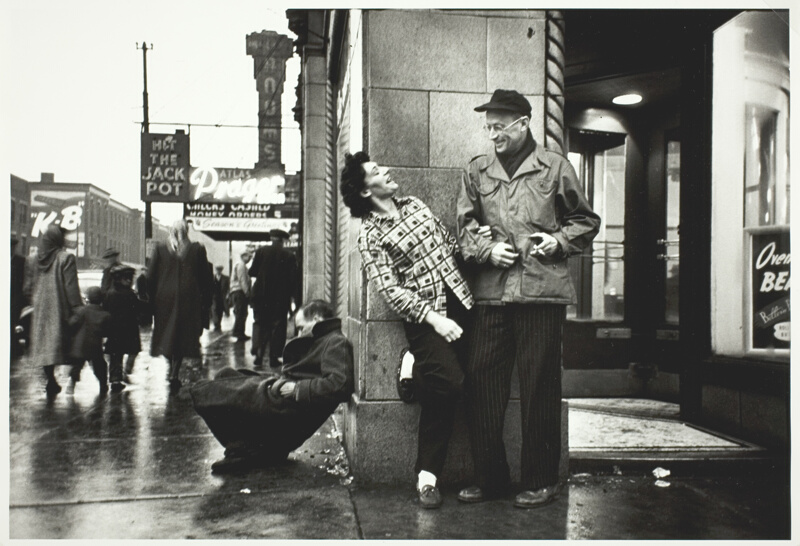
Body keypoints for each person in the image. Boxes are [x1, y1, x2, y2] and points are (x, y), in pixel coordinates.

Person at [456, 89, 601, 508]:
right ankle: (490, 477)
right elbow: (463, 227)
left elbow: (585, 222)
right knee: (482, 382)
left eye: (499, 127)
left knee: (539, 387)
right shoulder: (476, 170)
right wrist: (486, 251)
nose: (492, 135)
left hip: (541, 293)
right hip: (491, 296)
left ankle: (541, 479)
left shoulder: (555, 167)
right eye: (488, 128)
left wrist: (557, 242)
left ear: (523, 124)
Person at [341, 151, 478, 510]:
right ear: (365, 190)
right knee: (449, 382)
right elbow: (390, 290)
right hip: (426, 321)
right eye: (375, 171)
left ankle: (427, 478)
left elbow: (449, 246)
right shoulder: (370, 236)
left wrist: (477, 245)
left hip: (462, 303)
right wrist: (434, 318)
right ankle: (416, 364)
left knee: (444, 390)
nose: (385, 170)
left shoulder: (416, 205)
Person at [190, 300, 354, 474]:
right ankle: (250, 447)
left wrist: (298, 389)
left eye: (301, 327)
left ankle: (247, 450)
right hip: (283, 396)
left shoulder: (335, 342)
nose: (298, 333)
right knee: (224, 375)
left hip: (289, 407)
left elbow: (340, 384)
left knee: (208, 391)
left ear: (316, 318)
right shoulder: (324, 338)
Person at [147, 219, 213, 394]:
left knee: (167, 333)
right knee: (182, 335)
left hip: (164, 299)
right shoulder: (197, 249)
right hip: (189, 298)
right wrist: (206, 300)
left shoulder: (161, 249)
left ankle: (171, 364)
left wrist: (151, 298)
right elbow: (206, 277)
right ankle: (175, 370)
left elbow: (151, 276)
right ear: (187, 231)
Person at [25, 225, 84, 396]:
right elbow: (71, 287)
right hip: (60, 308)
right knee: (75, 343)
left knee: (44, 344)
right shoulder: (66, 258)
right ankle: (72, 379)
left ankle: (51, 380)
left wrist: (35, 302)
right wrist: (77, 308)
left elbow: (27, 288)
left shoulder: (33, 260)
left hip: (41, 311)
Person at [249, 229, 300, 368]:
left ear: (271, 238)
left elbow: (252, 272)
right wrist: (296, 301)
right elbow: (293, 281)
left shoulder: (260, 251)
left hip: (260, 297)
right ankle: (273, 358)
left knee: (261, 325)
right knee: (277, 328)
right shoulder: (289, 255)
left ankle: (258, 356)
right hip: (279, 299)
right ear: (283, 241)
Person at [104, 264, 145, 393]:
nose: (129, 280)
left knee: (116, 355)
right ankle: (127, 369)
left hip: (115, 330)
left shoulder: (110, 294)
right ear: (120, 279)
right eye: (127, 278)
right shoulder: (130, 294)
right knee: (133, 350)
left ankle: (115, 379)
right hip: (130, 329)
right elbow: (139, 308)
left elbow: (105, 309)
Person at [66, 286, 112, 395]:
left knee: (77, 366)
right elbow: (107, 331)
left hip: (80, 346)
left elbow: (72, 324)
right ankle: (103, 384)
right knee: (100, 366)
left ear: (88, 298)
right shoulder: (105, 314)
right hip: (95, 346)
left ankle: (71, 384)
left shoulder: (82, 311)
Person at [229, 251, 252, 341]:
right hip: (239, 291)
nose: (249, 259)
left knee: (241, 313)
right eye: (248, 257)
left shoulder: (240, 265)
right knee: (241, 313)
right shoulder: (241, 266)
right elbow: (243, 280)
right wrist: (247, 292)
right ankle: (238, 332)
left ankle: (239, 332)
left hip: (237, 291)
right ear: (243, 256)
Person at [11, 237, 27, 357]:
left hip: (16, 297)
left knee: (14, 321)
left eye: (13, 247)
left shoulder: (21, 261)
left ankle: (15, 347)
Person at [210, 265, 230, 331]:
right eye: (217, 269)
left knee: (220, 310)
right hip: (214, 296)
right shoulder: (212, 278)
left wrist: (227, 294)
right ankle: (216, 324)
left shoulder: (226, 278)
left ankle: (218, 323)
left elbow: (228, 288)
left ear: (221, 270)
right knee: (214, 309)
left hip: (222, 297)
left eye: (220, 270)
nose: (218, 271)